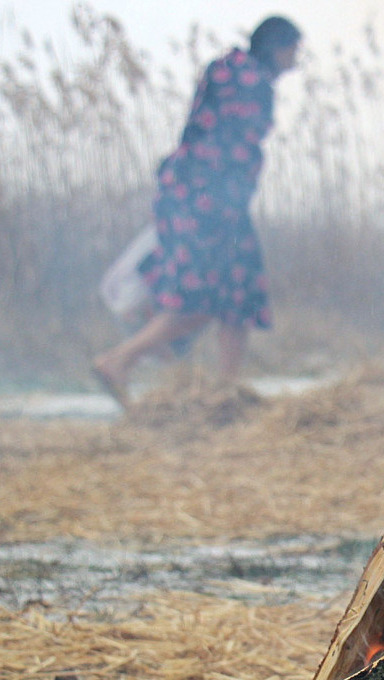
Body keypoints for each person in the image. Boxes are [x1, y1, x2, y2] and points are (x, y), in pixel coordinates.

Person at [92, 16, 301, 409]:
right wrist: (228, 201)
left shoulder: (223, 69)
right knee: (209, 299)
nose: (295, 61)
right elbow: (236, 150)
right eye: (293, 51)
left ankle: (223, 390)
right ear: (277, 47)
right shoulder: (255, 85)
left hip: (185, 192)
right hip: (214, 203)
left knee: (231, 295)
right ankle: (120, 362)